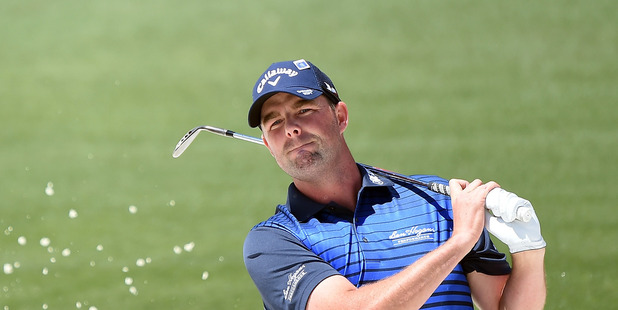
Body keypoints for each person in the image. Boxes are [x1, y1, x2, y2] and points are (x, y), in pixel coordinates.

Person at [243, 59, 546, 310]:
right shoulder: (272, 243)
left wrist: (528, 250)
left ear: (341, 116)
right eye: (275, 123)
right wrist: (459, 242)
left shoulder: (436, 200)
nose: (292, 128)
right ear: (269, 145)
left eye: (304, 110)